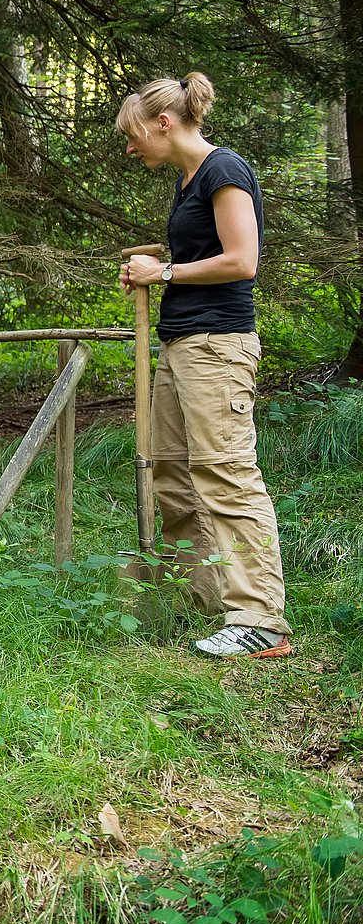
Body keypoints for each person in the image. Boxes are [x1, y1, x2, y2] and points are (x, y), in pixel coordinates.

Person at [117, 73, 292, 659]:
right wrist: (157, 261)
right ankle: (212, 605)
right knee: (172, 472)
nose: (130, 147)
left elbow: (242, 260)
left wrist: (162, 273)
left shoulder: (225, 170)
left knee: (224, 474)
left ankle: (260, 619)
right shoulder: (188, 180)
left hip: (218, 345)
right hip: (181, 343)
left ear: (164, 123)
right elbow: (205, 248)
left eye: (133, 135)